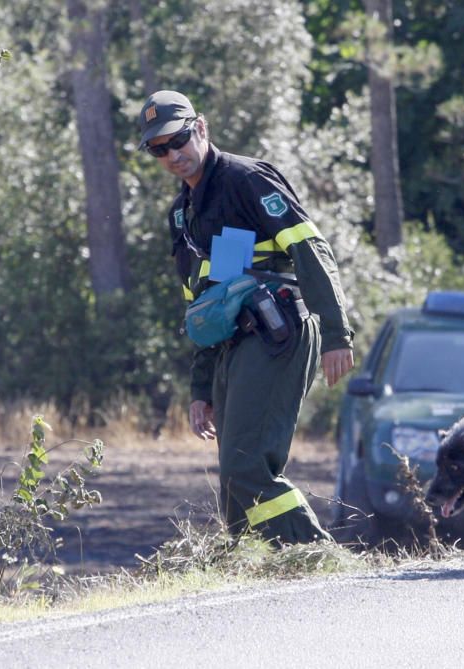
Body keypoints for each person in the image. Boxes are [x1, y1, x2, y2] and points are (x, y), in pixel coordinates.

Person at [138, 90, 354, 545]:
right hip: (234, 340)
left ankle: (315, 556)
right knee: (234, 475)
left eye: (178, 140)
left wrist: (337, 333)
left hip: (280, 329)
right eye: (159, 149)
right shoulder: (181, 215)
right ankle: (251, 562)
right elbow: (205, 305)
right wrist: (201, 389)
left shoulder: (247, 178)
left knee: (246, 466)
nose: (173, 154)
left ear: (201, 127)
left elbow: (309, 249)